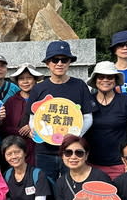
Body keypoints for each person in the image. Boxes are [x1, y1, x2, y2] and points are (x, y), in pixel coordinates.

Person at [20, 41, 96, 183]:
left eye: (64, 60)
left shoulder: (79, 85)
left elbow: (87, 117)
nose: (59, 63)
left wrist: (73, 137)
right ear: (48, 63)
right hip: (44, 151)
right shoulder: (39, 88)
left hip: (72, 151)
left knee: (73, 185)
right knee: (46, 187)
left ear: (69, 63)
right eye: (55, 60)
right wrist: (34, 131)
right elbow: (33, 118)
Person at [85, 61, 127, 179]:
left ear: (115, 80)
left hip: (119, 165)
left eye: (110, 77)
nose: (105, 80)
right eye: (101, 76)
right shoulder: (87, 102)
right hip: (90, 165)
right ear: (95, 80)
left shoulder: (126, 102)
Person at [2, 63, 42, 166]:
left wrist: (32, 125)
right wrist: (22, 132)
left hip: (40, 149)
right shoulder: (11, 102)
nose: (25, 82)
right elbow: (4, 128)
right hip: (17, 151)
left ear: (35, 80)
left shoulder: (43, 99)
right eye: (21, 79)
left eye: (29, 78)